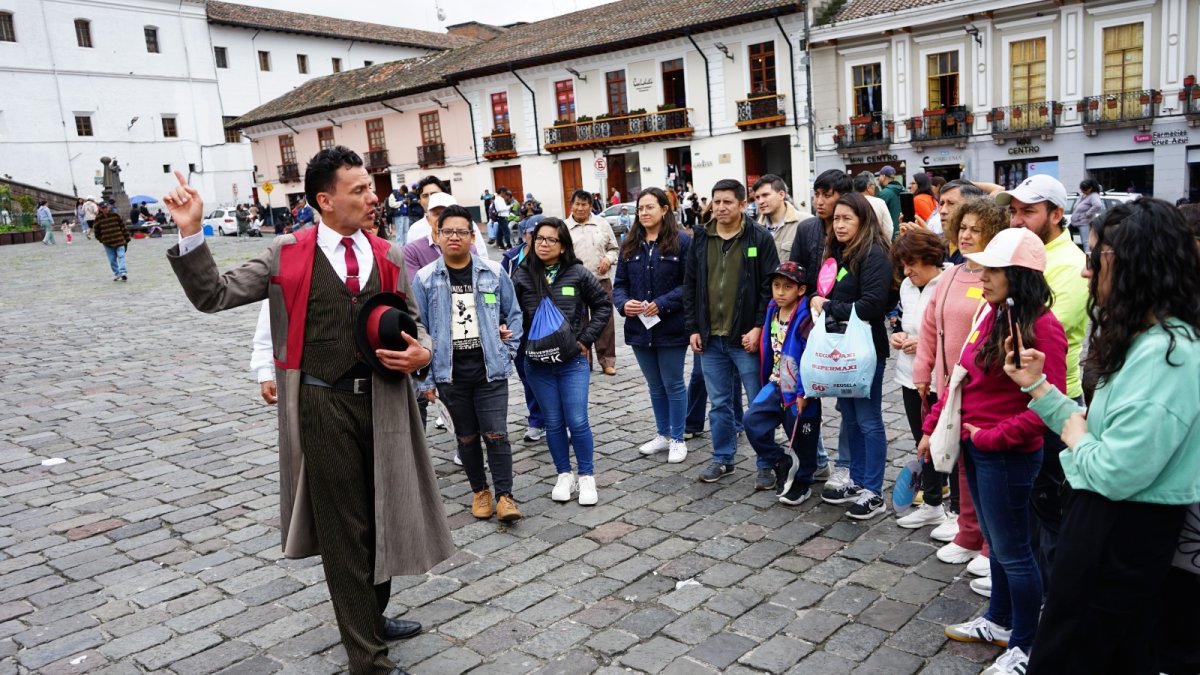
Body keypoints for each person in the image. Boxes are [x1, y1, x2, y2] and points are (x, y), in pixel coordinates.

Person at [162, 147, 453, 675]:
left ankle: (371, 614)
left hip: (386, 402)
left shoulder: (388, 255)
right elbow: (214, 295)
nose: (373, 197)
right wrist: (191, 232)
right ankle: (368, 658)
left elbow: (414, 320)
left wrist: (424, 352)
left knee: (383, 513)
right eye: (360, 190)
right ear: (325, 199)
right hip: (321, 404)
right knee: (346, 530)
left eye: (371, 187)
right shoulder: (285, 252)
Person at [1005, 199, 1200, 675]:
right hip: (1109, 523)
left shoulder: (1170, 356)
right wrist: (1038, 387)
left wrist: (1074, 430)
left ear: (1135, 265)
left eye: (1095, 259)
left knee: (1077, 651)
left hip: (1120, 527)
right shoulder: (1146, 339)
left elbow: (1114, 471)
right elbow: (1105, 435)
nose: (1087, 273)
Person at [925, 227, 1066, 675]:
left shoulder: (1043, 327)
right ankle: (1000, 621)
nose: (981, 276)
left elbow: (1050, 407)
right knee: (998, 548)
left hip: (1005, 454)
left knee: (1014, 552)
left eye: (992, 269)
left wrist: (989, 437)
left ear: (1018, 276)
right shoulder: (990, 314)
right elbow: (961, 378)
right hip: (978, 447)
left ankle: (1026, 646)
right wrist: (935, 426)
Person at [997, 174, 1087, 593]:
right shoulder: (1017, 254)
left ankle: (1051, 591)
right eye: (1014, 210)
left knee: (1048, 502)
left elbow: (1046, 324)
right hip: (1020, 391)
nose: (1017, 219)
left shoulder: (1067, 263)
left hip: (1054, 396)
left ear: (1056, 214)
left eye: (1028, 211)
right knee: (1027, 503)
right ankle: (1027, 580)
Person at [413, 204, 523, 523]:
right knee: (466, 437)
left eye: (462, 231)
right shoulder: (425, 278)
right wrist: (427, 380)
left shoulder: (493, 272)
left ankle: (504, 495)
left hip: (491, 371)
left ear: (473, 236)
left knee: (497, 434)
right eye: (448, 231)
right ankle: (480, 491)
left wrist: (508, 352)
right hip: (450, 375)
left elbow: (513, 314)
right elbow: (419, 328)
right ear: (438, 235)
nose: (455, 237)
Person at [913, 196, 1008, 566]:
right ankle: (968, 531)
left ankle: (990, 544)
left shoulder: (998, 277)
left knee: (986, 470)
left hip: (982, 388)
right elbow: (929, 327)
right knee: (962, 462)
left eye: (976, 229)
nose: (967, 235)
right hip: (949, 387)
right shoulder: (950, 274)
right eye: (963, 228)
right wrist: (924, 371)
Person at [683, 178, 780, 484]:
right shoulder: (700, 238)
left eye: (727, 201)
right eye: (716, 201)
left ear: (742, 204)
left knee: (758, 402)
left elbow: (770, 288)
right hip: (711, 338)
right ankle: (723, 458)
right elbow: (690, 286)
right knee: (720, 403)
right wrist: (694, 328)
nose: (721, 207)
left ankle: (766, 461)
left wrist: (758, 327)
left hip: (745, 338)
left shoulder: (759, 238)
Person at [512, 218, 612, 505]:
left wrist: (585, 340)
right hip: (537, 363)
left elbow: (603, 305)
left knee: (577, 420)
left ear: (563, 245)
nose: (543, 244)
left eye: (550, 240)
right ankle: (563, 474)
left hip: (572, 362)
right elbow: (509, 313)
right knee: (554, 422)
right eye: (539, 238)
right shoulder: (521, 275)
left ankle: (587, 477)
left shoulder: (578, 273)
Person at [812, 193, 894, 520]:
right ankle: (857, 479)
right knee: (849, 414)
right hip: (838, 349)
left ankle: (873, 490)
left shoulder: (873, 254)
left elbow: (872, 305)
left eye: (848, 218)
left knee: (868, 419)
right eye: (837, 219)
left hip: (865, 349)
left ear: (863, 220)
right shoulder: (839, 253)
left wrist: (829, 306)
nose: (841, 224)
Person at [612, 188, 691, 464]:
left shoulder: (681, 241)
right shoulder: (629, 244)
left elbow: (689, 285)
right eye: (640, 209)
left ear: (664, 209)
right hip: (639, 329)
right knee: (655, 385)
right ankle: (663, 434)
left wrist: (664, 302)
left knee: (673, 383)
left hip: (671, 326)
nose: (644, 213)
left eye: (649, 207)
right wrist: (624, 305)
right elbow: (619, 285)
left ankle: (678, 438)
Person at [744, 261, 822, 505]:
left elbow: (810, 358)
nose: (779, 292)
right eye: (776, 286)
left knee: (801, 437)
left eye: (787, 287)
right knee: (752, 420)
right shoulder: (772, 310)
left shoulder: (806, 318)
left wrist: (804, 392)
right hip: (775, 383)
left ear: (800, 290)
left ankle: (803, 482)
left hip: (799, 390)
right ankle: (780, 460)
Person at [889, 230, 949, 529]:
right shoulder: (908, 289)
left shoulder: (948, 285)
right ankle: (933, 501)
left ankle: (949, 504)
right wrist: (899, 335)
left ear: (931, 259)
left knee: (942, 441)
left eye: (911, 263)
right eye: (903, 264)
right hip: (909, 374)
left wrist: (925, 345)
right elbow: (905, 323)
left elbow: (954, 336)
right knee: (921, 441)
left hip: (941, 378)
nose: (907, 271)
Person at [565, 189, 620, 375]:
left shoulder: (602, 224)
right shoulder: (564, 227)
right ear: (571, 205)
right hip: (575, 283)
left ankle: (607, 360)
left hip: (600, 280)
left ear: (590, 206)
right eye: (577, 204)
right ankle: (582, 360)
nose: (580, 208)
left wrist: (608, 259)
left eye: (584, 204)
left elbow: (614, 248)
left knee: (604, 321)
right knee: (578, 322)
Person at [502, 215, 545, 443]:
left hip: (548, 328)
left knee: (552, 376)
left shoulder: (556, 259)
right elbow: (499, 291)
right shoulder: (510, 259)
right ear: (524, 234)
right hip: (519, 328)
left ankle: (560, 422)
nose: (538, 240)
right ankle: (537, 420)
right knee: (527, 375)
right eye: (532, 234)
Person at [405, 177, 486, 255]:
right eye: (425, 196)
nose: (430, 198)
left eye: (434, 194)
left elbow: (482, 256)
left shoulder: (467, 224)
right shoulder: (414, 230)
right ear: (420, 201)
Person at [753, 174, 805, 261]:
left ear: (781, 195)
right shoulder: (753, 229)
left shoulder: (805, 222)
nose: (760, 201)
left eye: (765, 195)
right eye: (757, 197)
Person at [92, 201, 130, 281]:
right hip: (107, 242)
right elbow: (96, 231)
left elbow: (123, 227)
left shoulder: (115, 216)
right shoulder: (98, 219)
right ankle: (117, 273)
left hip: (119, 239)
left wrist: (126, 238)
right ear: (100, 209)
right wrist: (101, 240)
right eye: (103, 208)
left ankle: (123, 272)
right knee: (112, 259)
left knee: (121, 256)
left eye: (106, 207)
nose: (105, 209)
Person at [852, 171, 894, 240]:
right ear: (868, 187)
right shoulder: (879, 202)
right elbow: (888, 228)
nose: (875, 188)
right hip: (877, 244)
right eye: (874, 185)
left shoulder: (851, 202)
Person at [1071, 179, 1102, 251]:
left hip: (1084, 222)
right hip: (1075, 221)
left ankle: (1089, 259)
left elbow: (1098, 205)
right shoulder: (1084, 195)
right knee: (1067, 234)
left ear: (1090, 188)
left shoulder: (1094, 195)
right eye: (1081, 189)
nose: (1082, 191)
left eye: (1084, 189)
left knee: (1086, 242)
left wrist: (1087, 214)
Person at [876, 165, 903, 236]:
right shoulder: (904, 190)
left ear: (883, 176)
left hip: (889, 235)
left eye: (880, 176)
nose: (879, 178)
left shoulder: (884, 193)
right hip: (902, 232)